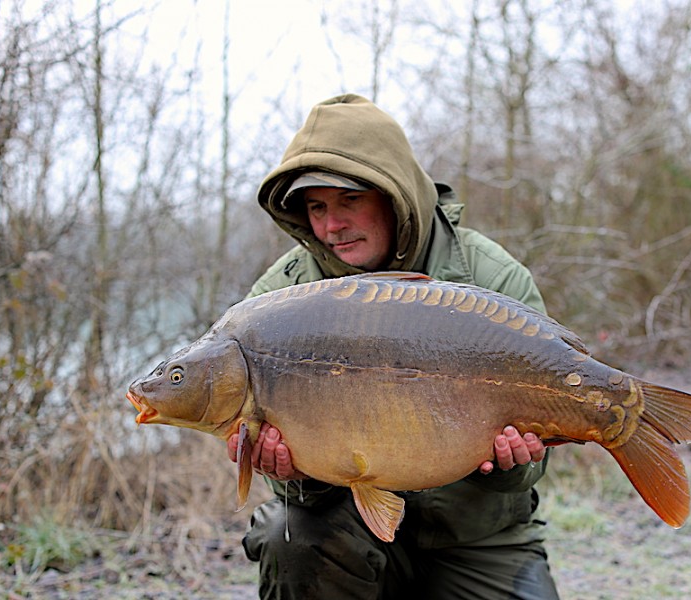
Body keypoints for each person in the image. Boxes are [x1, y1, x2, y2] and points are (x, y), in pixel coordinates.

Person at [226, 93, 561, 599]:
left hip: (477, 535)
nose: (331, 225)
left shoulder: (490, 278)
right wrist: (291, 471)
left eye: (349, 201)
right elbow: (289, 475)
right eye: (316, 207)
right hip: (351, 533)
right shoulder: (276, 302)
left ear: (395, 193)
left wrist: (515, 462)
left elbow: (533, 464)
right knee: (285, 536)